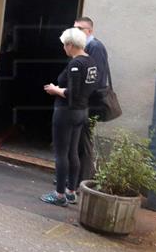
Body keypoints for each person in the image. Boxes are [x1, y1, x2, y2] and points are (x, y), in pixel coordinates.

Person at [41, 27, 99, 206]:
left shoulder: (76, 64)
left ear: (70, 45)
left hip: (66, 112)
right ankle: (71, 192)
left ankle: (59, 195)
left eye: (64, 45)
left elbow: (73, 93)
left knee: (61, 154)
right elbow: (88, 90)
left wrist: (55, 90)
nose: (63, 48)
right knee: (73, 152)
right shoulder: (91, 62)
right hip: (81, 112)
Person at [74, 16, 111, 185]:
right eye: (75, 28)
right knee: (77, 139)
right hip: (81, 102)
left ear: (89, 31)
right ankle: (75, 176)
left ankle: (83, 179)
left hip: (89, 103)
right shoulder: (83, 47)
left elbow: (96, 77)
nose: (76, 31)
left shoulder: (95, 47)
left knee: (84, 140)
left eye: (80, 29)